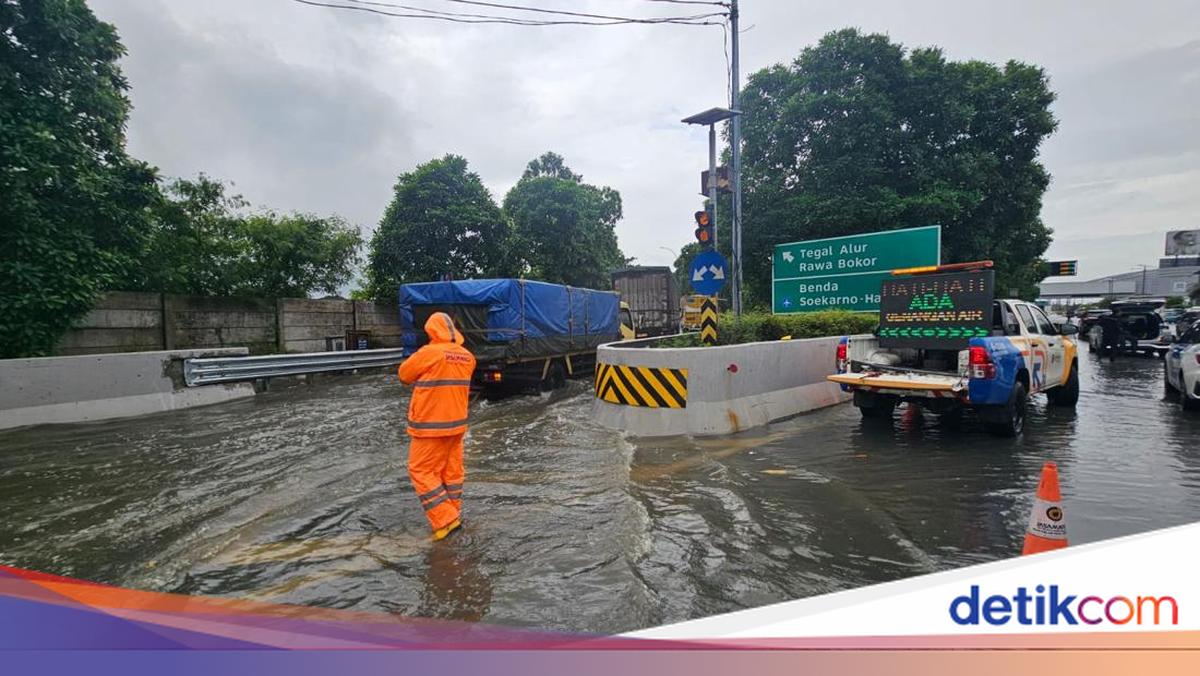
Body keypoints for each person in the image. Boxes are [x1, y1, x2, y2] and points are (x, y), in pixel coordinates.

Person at [398, 312, 476, 541]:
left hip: (430, 427)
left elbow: (404, 375)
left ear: (431, 330)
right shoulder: (468, 357)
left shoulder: (429, 353)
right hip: (456, 426)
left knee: (420, 470)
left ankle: (446, 519)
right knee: (451, 472)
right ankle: (453, 514)